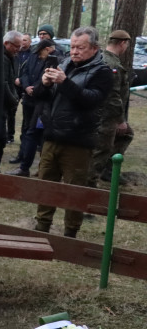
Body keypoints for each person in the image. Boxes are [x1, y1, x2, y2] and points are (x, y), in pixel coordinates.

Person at [31, 26, 111, 237]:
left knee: (75, 190)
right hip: (52, 135)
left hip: (78, 140)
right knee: (46, 184)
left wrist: (64, 82)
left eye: (80, 48)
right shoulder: (64, 64)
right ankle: (42, 227)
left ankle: (70, 233)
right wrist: (44, 83)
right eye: (73, 47)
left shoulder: (102, 72)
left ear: (94, 48)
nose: (74, 51)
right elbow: (39, 96)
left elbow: (90, 100)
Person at [89, 30, 135, 187]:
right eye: (126, 44)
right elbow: (112, 95)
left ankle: (108, 170)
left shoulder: (101, 58)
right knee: (100, 151)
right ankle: (89, 185)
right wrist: (120, 120)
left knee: (126, 135)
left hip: (99, 113)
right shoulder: (112, 64)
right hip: (106, 117)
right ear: (122, 43)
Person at [9, 38, 57, 177]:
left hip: (45, 104)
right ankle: (23, 162)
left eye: (40, 52)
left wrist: (35, 89)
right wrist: (26, 86)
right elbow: (24, 72)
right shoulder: (34, 57)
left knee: (40, 136)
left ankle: (41, 168)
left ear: (48, 49)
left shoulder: (55, 60)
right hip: (30, 101)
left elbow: (48, 82)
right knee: (28, 131)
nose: (38, 55)